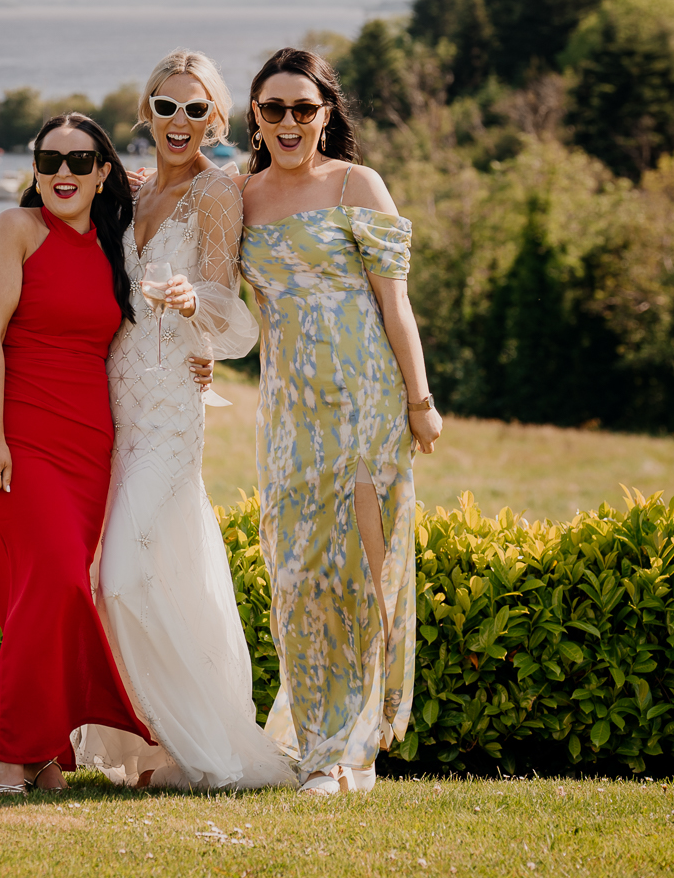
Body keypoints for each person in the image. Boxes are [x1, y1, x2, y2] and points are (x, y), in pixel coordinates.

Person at [72, 50, 298, 791]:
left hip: (170, 409)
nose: (179, 122)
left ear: (216, 119)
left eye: (196, 109)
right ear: (145, 111)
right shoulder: (126, 191)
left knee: (125, 576)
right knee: (156, 568)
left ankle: (203, 745)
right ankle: (148, 747)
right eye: (166, 107)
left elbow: (237, 329)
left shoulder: (218, 193)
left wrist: (191, 302)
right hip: (106, 404)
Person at [237, 47, 441, 795]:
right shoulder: (241, 196)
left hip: (366, 403)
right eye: (272, 109)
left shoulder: (359, 184)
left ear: (327, 113)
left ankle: (347, 755)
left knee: (357, 572)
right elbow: (216, 295)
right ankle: (314, 735)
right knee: (295, 574)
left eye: (303, 108)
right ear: (254, 117)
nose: (288, 122)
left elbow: (396, 305)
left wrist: (419, 400)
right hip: (289, 411)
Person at [0, 112, 153, 794]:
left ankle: (41, 751)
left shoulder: (114, 243)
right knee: (54, 583)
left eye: (81, 162)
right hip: (14, 431)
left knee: (54, 594)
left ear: (104, 172)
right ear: (34, 169)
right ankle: (8, 755)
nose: (64, 174)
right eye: (50, 161)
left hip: (87, 442)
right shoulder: (17, 231)